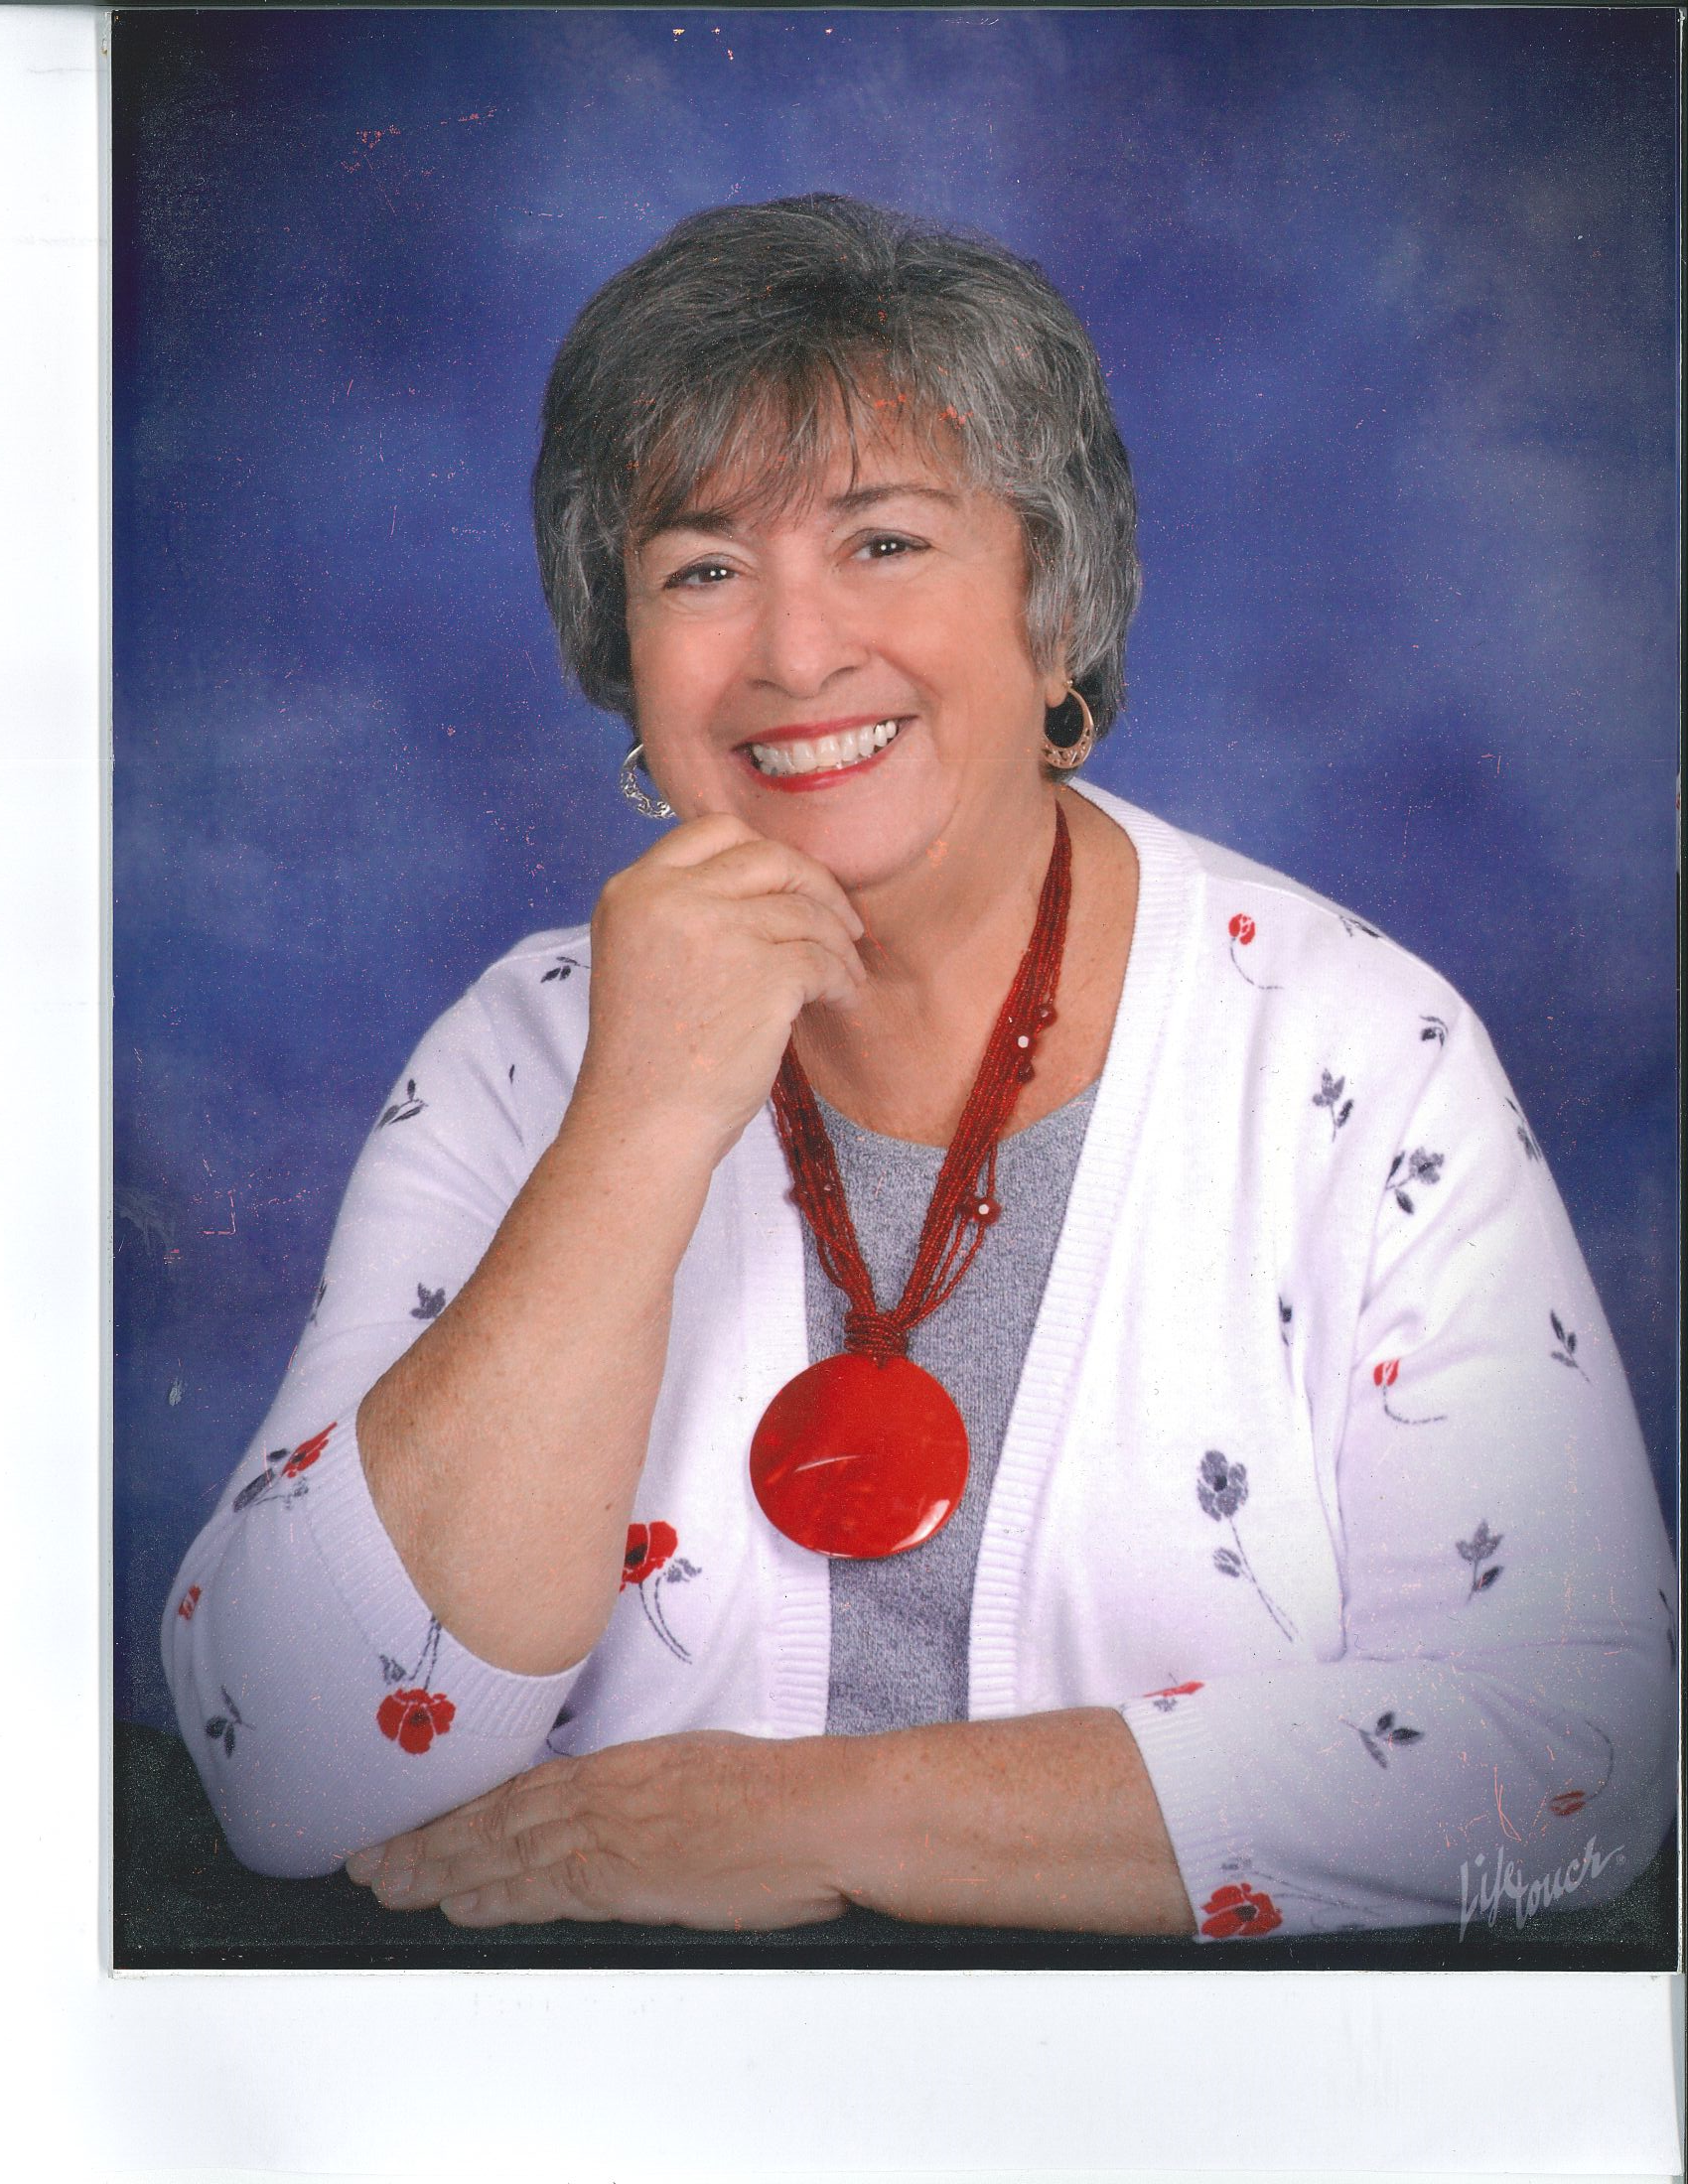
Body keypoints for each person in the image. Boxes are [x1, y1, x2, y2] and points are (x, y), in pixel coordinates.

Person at [162, 195, 1676, 1942]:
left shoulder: (1354, 1054)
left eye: (884, 541)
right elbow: (286, 1769)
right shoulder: (524, 1058)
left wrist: (803, 1819)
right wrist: (638, 1125)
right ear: (625, 655)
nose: (797, 654)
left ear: (1055, 609)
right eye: (703, 569)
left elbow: (1575, 1760)